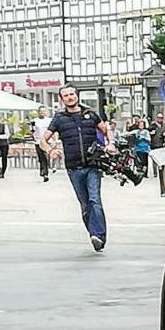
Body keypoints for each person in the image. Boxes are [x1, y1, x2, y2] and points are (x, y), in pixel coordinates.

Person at [41, 84, 114, 253]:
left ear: (77, 96)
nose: (70, 97)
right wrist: (50, 150)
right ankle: (94, 233)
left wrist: (111, 143)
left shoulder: (90, 114)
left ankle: (98, 235)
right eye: (66, 95)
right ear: (61, 99)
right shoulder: (59, 119)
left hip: (92, 165)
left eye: (72, 94)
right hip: (73, 168)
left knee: (95, 200)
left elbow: (106, 130)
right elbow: (43, 140)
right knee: (85, 205)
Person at [32, 106, 53, 182]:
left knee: (46, 156)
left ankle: (45, 172)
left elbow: (52, 130)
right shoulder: (34, 121)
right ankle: (43, 170)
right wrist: (33, 137)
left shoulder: (49, 120)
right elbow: (32, 130)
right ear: (38, 112)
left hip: (47, 140)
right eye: (41, 111)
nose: (42, 113)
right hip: (38, 141)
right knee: (41, 157)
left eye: (44, 111)